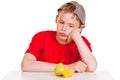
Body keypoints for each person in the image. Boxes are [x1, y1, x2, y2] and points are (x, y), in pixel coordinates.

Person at [21, 1, 97, 73]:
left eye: (70, 26)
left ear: (80, 28)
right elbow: (25, 65)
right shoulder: (41, 37)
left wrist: (77, 36)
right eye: (61, 22)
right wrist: (67, 67)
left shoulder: (82, 42)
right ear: (56, 19)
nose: (63, 28)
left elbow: (92, 67)